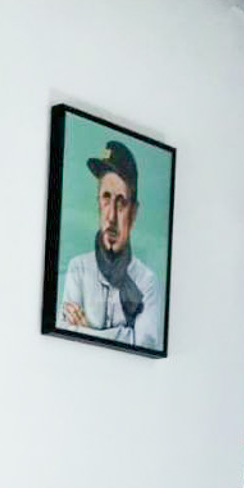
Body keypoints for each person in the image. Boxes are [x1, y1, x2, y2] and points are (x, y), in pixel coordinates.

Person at [57, 139, 164, 351]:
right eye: (106, 198)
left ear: (134, 213)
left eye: (121, 202)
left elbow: (146, 345)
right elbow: (64, 334)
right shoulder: (78, 268)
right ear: (98, 202)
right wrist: (126, 334)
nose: (111, 217)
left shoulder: (147, 282)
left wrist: (86, 330)